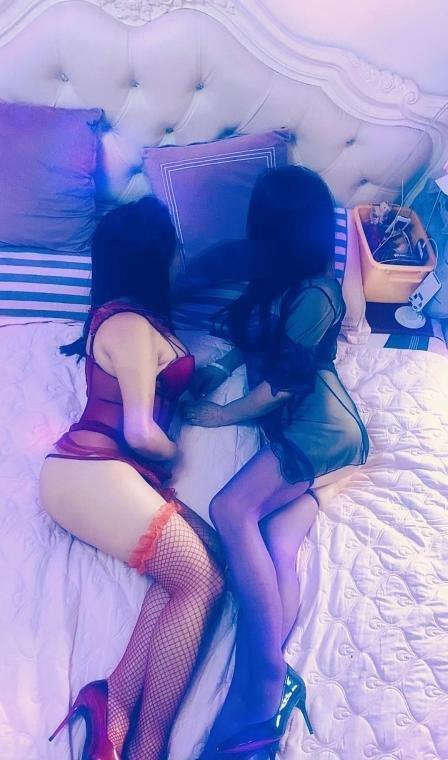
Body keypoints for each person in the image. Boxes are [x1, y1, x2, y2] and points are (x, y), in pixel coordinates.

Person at [183, 166, 369, 759]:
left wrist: (221, 415)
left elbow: (285, 383)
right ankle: (274, 682)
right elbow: (255, 336)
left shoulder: (319, 293)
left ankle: (262, 679)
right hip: (296, 425)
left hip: (321, 428)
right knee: (274, 541)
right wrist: (217, 367)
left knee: (230, 509)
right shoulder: (276, 273)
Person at [39, 196, 224, 760]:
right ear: (152, 258)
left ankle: (111, 701)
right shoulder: (129, 325)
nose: (179, 255)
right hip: (89, 469)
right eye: (172, 247)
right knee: (201, 580)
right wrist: (175, 455)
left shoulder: (138, 323)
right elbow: (141, 432)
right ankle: (146, 746)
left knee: (206, 564)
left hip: (111, 474)